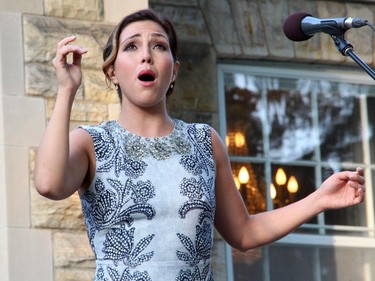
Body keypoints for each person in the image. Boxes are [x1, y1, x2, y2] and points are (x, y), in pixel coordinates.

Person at [34, 8, 366, 281]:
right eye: (131, 47)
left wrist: (318, 199)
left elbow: (244, 233)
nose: (146, 55)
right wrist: (66, 90)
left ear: (174, 71)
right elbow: (49, 184)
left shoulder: (204, 141)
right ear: (112, 72)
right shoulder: (91, 141)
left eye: (159, 46)